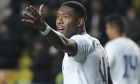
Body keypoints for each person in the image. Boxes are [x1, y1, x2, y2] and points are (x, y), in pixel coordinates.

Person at [22, 1, 112, 84]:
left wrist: (43, 27)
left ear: (80, 22)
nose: (59, 21)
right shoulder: (99, 47)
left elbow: (64, 44)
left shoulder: (82, 40)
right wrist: (43, 26)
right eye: (58, 16)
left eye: (65, 17)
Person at [105, 15, 140, 84]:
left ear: (114, 29)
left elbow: (104, 69)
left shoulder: (112, 45)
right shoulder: (136, 47)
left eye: (107, 28)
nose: (107, 32)